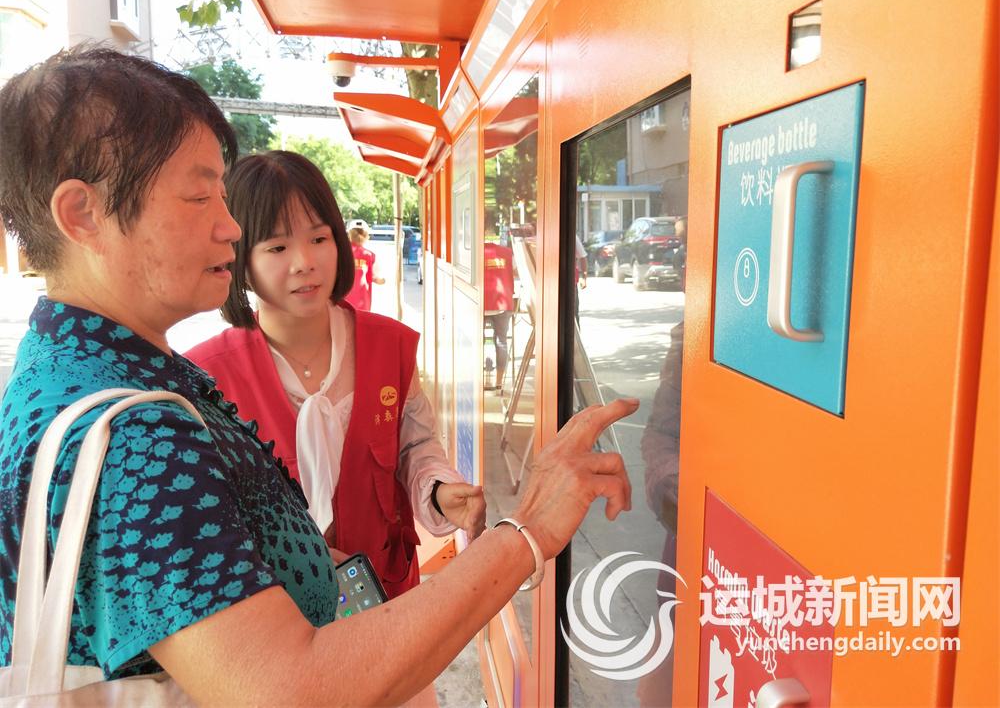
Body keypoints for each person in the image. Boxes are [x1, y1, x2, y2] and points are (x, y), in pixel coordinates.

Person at [0, 46, 637, 706]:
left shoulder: (81, 372)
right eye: (198, 196)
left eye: (224, 196)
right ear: (83, 214)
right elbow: (290, 689)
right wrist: (527, 532)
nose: (229, 227)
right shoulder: (136, 438)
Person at [185, 151, 482, 598]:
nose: (305, 261)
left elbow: (414, 445)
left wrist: (439, 489)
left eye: (319, 238)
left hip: (387, 596)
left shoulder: (389, 346)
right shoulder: (205, 378)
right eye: (277, 247)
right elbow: (207, 519)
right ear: (240, 258)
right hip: (278, 612)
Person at [483, 241, 515, 392]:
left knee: (479, 341)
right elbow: (515, 271)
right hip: (503, 303)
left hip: (481, 302)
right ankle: (499, 382)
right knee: (501, 341)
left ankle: (483, 379)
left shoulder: (475, 252)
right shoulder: (507, 252)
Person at [344, 224, 384, 312]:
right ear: (366, 237)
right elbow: (377, 278)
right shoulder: (369, 255)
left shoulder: (340, 253)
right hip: (363, 303)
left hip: (342, 303)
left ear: (349, 235)